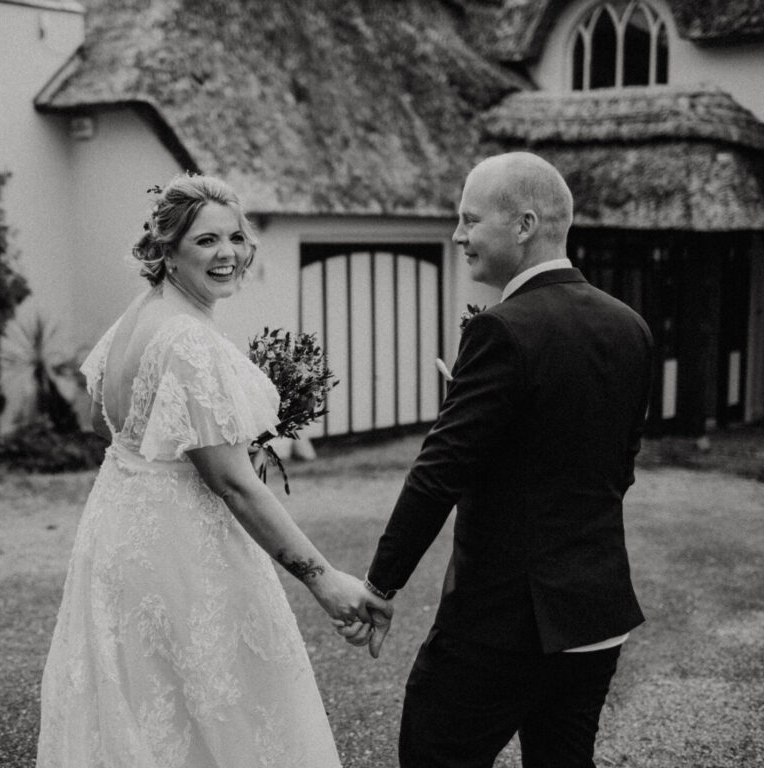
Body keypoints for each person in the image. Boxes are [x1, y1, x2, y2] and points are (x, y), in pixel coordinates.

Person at [36, 173, 388, 767]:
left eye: (236, 237)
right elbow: (233, 484)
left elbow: (103, 421)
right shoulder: (187, 340)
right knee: (222, 718)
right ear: (168, 251)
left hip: (119, 535)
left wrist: (192, 441)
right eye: (205, 241)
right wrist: (324, 579)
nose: (227, 253)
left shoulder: (137, 316)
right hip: (181, 551)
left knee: (145, 711)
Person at [343, 152, 653, 767]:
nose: (458, 235)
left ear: (523, 224)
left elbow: (439, 473)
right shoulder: (630, 326)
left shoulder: (501, 331)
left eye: (469, 219)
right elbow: (614, 467)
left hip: (504, 623)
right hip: (595, 613)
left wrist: (381, 583)